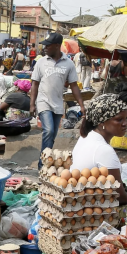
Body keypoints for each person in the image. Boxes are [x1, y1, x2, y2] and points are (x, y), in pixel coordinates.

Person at [31, 33, 85, 164]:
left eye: (47, 46)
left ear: (56, 46)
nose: (44, 48)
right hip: (43, 102)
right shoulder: (41, 62)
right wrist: (32, 104)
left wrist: (82, 105)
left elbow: (74, 86)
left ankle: (46, 160)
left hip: (58, 104)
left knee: (52, 135)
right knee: (48, 130)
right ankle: (42, 164)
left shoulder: (68, 64)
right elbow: (35, 84)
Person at [70, 94, 127, 205]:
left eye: (126, 118)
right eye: (119, 119)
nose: (125, 123)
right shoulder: (103, 150)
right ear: (102, 122)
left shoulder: (86, 137)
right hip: (92, 209)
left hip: (82, 202)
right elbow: (120, 197)